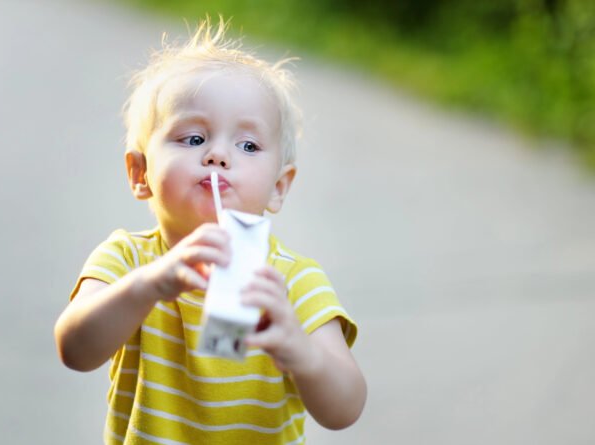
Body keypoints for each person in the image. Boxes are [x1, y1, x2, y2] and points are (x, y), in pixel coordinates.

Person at [54, 18, 366, 444]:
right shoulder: (128, 261)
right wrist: (148, 286)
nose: (218, 155)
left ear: (278, 187)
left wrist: (301, 351)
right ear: (140, 172)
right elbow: (75, 350)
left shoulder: (291, 283)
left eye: (248, 146)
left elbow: (345, 409)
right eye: (194, 138)